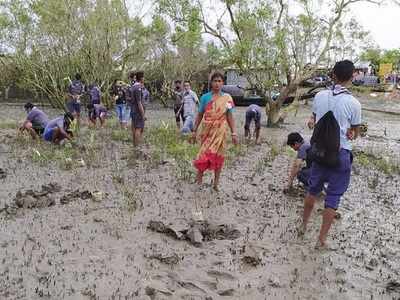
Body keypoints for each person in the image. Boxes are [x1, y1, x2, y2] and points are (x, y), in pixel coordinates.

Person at [302, 60, 361, 249]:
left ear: (333, 75)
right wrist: (353, 132)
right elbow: (354, 133)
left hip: (319, 152)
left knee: (312, 189)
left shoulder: (319, 96)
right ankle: (321, 240)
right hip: (340, 153)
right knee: (333, 197)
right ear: (352, 77)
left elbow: (313, 119)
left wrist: (313, 122)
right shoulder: (354, 103)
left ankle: (303, 225)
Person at [191, 72, 238, 191]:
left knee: (219, 157)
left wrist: (234, 133)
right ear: (211, 82)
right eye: (215, 81)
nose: (217, 83)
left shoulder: (227, 98)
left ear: (223, 83)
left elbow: (229, 116)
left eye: (219, 81)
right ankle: (199, 181)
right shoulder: (205, 97)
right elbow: (200, 115)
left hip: (220, 133)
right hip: (207, 132)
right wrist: (194, 131)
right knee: (203, 155)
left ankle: (216, 184)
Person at [129, 71, 146, 146]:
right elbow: (139, 102)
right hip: (137, 111)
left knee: (134, 127)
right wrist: (143, 115)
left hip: (132, 109)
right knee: (138, 129)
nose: (144, 79)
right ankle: (136, 146)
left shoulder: (132, 86)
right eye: (143, 77)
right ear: (141, 78)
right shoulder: (138, 87)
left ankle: (134, 145)